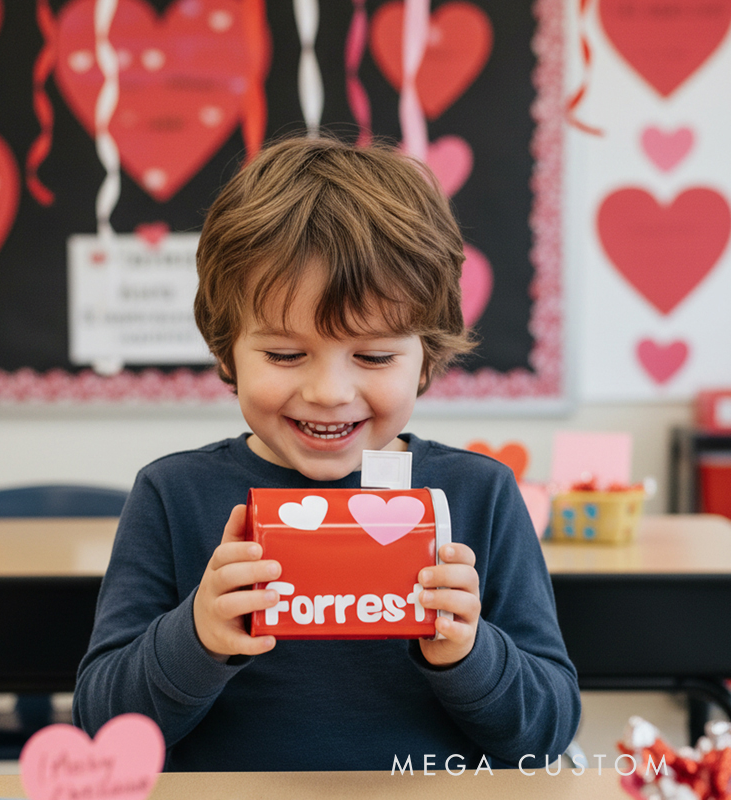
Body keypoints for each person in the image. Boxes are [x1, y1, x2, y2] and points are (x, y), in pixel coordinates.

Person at [73, 136, 580, 772]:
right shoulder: (173, 495)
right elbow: (101, 727)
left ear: (429, 352)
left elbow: (547, 734)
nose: (329, 393)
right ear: (227, 349)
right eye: (285, 355)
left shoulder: (480, 494)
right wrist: (197, 637)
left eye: (373, 356)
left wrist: (469, 650)